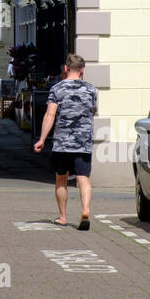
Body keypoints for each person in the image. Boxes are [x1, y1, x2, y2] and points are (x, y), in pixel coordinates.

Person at [34, 53, 98, 230]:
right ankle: (85, 210)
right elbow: (93, 111)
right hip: (83, 143)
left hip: (62, 142)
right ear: (82, 70)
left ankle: (62, 217)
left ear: (65, 68)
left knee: (61, 180)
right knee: (83, 179)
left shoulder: (57, 89)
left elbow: (50, 115)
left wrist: (42, 139)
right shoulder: (91, 90)